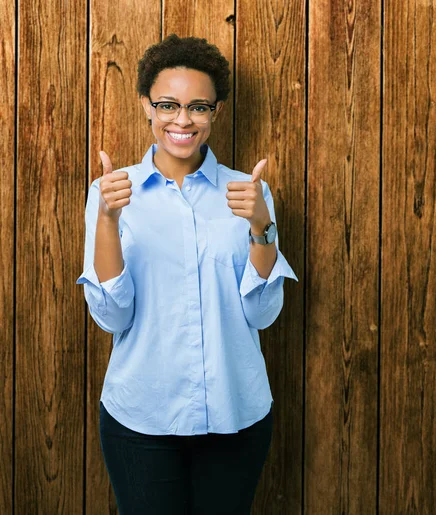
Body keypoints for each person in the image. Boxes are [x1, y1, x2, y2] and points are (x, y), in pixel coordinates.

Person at [77, 34, 298, 514]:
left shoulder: (249, 193)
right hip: (141, 418)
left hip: (235, 414)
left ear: (215, 111)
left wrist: (263, 225)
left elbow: (261, 313)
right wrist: (109, 222)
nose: (182, 120)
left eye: (198, 106)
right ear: (146, 107)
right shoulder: (111, 193)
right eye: (168, 105)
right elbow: (113, 317)